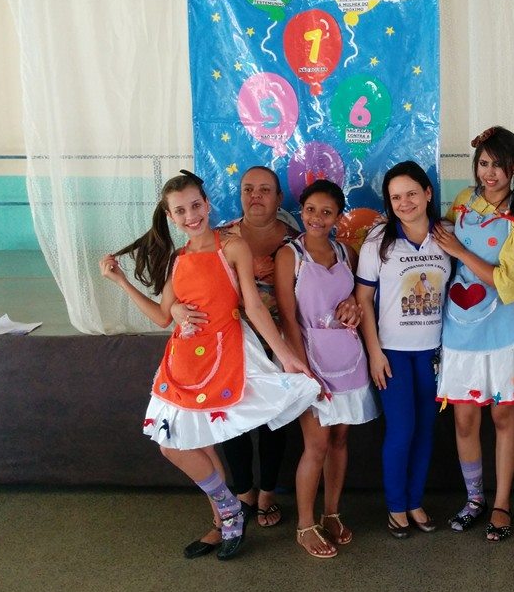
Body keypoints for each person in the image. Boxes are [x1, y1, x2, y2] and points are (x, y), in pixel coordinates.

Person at [99, 170, 321, 560]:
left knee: (202, 438)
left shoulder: (232, 246)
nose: (191, 216)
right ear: (170, 216)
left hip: (226, 352)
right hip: (183, 360)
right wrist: (122, 282)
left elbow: (253, 305)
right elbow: (161, 316)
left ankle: (227, 519)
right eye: (180, 210)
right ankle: (228, 511)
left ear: (207, 204)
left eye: (195, 206)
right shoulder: (177, 259)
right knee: (178, 444)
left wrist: (287, 357)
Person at [173, 165, 358, 529]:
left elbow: (334, 287)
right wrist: (177, 308)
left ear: (279, 198)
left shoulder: (297, 242)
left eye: (264, 190)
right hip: (229, 342)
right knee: (233, 419)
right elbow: (186, 280)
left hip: (282, 341)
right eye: (248, 189)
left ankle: (268, 493)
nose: (255, 196)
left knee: (275, 422)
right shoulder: (217, 237)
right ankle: (244, 493)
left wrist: (350, 301)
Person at [432, 126, 514, 542]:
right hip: (459, 326)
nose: (489, 173)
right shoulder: (463, 201)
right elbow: (437, 237)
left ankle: (502, 503)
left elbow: (511, 284)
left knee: (503, 415)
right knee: (463, 419)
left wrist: (460, 251)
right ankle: (474, 498)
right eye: (483, 163)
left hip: (503, 328)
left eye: (498, 165)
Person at [274, 179, 380, 558]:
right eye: (310, 210)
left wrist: (352, 302)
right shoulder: (290, 255)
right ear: (301, 211)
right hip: (310, 360)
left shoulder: (345, 252)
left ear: (337, 217)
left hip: (348, 359)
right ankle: (305, 525)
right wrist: (303, 372)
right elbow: (288, 318)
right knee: (316, 445)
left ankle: (331, 513)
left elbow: (357, 296)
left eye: (327, 212)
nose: (317, 218)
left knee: (339, 441)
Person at [355, 161, 451, 538]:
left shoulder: (446, 236)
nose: (404, 202)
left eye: (411, 193)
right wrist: (374, 353)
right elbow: (363, 300)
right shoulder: (379, 240)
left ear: (428, 193)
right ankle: (396, 507)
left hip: (434, 354)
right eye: (396, 197)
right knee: (401, 430)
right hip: (392, 354)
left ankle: (415, 502)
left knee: (425, 431)